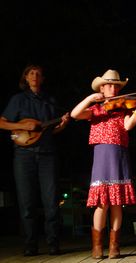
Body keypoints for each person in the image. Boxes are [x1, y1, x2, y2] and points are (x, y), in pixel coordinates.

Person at [70, 69, 136, 259]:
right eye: (108, 85)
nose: (112, 88)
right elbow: (74, 114)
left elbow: (129, 126)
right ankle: (97, 246)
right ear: (101, 88)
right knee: (102, 203)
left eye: (115, 85)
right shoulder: (96, 110)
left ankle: (114, 246)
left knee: (117, 203)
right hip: (102, 157)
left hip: (119, 156)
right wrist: (90, 98)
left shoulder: (123, 109)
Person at [0, 65, 70, 256]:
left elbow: (51, 131)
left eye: (38, 73)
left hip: (47, 154)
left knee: (51, 200)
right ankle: (31, 244)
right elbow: (2, 122)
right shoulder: (18, 100)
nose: (35, 76)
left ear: (43, 78)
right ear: (25, 77)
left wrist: (62, 125)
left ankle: (53, 242)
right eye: (31, 73)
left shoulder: (50, 102)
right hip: (23, 156)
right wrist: (23, 124)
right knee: (27, 201)